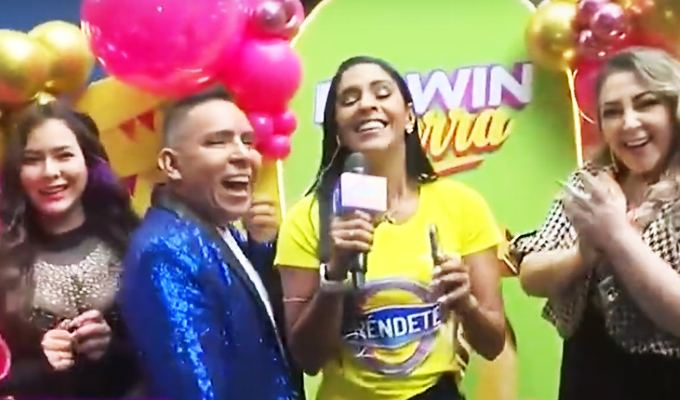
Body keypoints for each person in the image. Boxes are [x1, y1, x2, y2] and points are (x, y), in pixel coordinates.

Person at [274, 56, 506, 400]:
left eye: (382, 93)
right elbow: (307, 358)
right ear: (337, 129)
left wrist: (466, 303)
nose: (367, 104)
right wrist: (335, 275)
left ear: (409, 117)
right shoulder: (306, 219)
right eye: (349, 99)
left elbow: (493, 344)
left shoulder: (462, 205)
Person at [511, 47, 680, 400]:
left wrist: (616, 235)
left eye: (646, 104)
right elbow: (530, 273)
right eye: (612, 112)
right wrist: (582, 256)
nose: (629, 123)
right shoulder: (592, 180)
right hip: (588, 375)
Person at [120, 87, 300, 400]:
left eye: (248, 141)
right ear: (172, 165)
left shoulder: (218, 231)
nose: (242, 155)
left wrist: (261, 249)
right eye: (218, 142)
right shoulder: (165, 252)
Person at [0, 101, 141, 398]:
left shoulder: (129, 238)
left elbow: (168, 349)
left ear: (88, 162)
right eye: (33, 160)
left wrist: (112, 347)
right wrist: (41, 364)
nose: (50, 172)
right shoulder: (4, 254)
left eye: (64, 155)